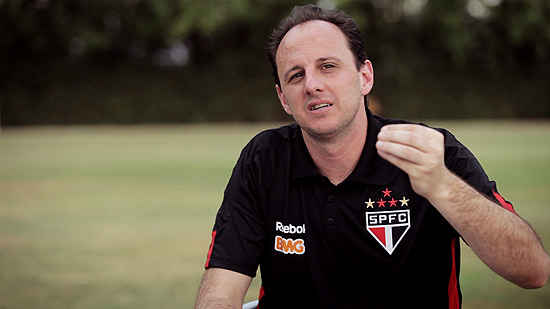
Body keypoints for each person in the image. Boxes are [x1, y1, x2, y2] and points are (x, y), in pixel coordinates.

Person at [195, 4, 549, 308]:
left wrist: (442, 186)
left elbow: (533, 271)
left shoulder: (429, 151)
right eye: (296, 75)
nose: (312, 84)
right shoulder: (264, 160)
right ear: (284, 98)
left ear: (364, 77)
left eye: (328, 66)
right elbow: (220, 290)